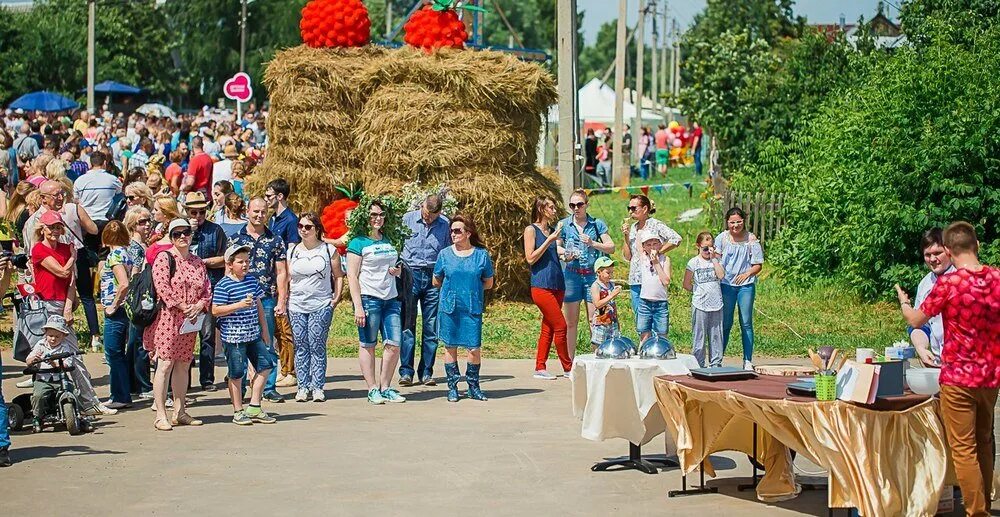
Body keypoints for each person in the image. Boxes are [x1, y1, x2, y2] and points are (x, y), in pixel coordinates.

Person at [897, 222, 1000, 517]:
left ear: (951, 251)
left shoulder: (949, 285)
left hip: (958, 378)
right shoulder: (997, 278)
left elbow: (917, 320)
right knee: (984, 441)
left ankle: (976, 512)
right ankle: (986, 504)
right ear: (977, 245)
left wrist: (904, 303)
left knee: (964, 448)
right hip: (990, 377)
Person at [29, 210, 113, 416]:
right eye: (51, 227)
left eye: (58, 227)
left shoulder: (67, 248)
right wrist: (73, 258)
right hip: (45, 305)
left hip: (61, 303)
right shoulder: (39, 249)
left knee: (72, 354)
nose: (55, 231)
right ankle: (47, 401)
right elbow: (62, 272)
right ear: (43, 229)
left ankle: (88, 401)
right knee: (44, 353)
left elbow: (71, 281)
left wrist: (68, 306)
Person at [145, 218, 211, 431]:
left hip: (190, 320)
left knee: (183, 364)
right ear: (171, 237)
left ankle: (180, 411)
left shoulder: (198, 261)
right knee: (164, 364)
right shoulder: (164, 258)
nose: (183, 237)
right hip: (169, 317)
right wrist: (183, 306)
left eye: (186, 232)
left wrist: (200, 305)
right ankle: (161, 414)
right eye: (177, 233)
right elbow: (162, 286)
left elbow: (207, 289)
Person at [23, 180, 101, 350]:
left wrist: (69, 300)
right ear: (43, 199)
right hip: (45, 297)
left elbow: (69, 270)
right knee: (45, 345)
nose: (61, 198)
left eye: (62, 194)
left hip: (63, 294)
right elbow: (32, 263)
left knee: (66, 346)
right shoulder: (35, 223)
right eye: (56, 195)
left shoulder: (60, 219)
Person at [346, 199, 407, 405]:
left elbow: (395, 266)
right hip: (369, 298)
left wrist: (397, 271)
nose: (377, 218)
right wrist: (358, 306)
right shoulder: (358, 242)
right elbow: (352, 276)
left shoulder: (388, 240)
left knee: (394, 343)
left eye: (380, 214)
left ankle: (386, 386)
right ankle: (372, 389)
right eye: (373, 215)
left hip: (390, 299)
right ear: (365, 217)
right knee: (368, 344)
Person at [230, 198, 288, 403]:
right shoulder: (236, 239)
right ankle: (244, 386)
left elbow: (281, 272)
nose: (259, 215)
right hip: (240, 300)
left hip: (266, 297)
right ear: (247, 211)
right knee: (241, 344)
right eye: (255, 211)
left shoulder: (276, 240)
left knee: (267, 342)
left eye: (263, 212)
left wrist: (282, 299)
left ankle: (268, 387)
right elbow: (228, 270)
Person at [212, 244, 278, 425]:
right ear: (230, 264)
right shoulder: (223, 285)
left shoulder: (251, 281)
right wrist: (238, 305)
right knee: (236, 373)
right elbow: (215, 310)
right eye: (240, 262)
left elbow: (258, 305)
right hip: (233, 337)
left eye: (247, 261)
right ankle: (238, 410)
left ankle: (254, 406)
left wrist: (265, 331)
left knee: (267, 365)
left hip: (253, 335)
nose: (245, 265)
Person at [433, 213, 494, 402]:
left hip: (471, 307)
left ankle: (473, 386)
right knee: (450, 347)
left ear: (468, 233)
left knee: (473, 348)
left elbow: (488, 283)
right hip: (450, 307)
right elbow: (436, 280)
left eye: (457, 231)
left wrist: (472, 291)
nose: (453, 234)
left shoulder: (481, 255)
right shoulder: (444, 254)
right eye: (451, 231)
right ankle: (452, 387)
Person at [287, 213, 344, 402]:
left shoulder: (328, 250)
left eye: (308, 227)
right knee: (301, 345)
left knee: (317, 344)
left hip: (320, 303)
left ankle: (318, 386)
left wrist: (335, 298)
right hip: (296, 304)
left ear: (317, 229)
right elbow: (286, 277)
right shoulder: (293, 250)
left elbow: (338, 275)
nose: (303, 230)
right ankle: (303, 386)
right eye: (301, 226)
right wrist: (284, 298)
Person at [398, 194, 450, 386]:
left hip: (433, 275)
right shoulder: (407, 219)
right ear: (422, 206)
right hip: (410, 273)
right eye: (427, 214)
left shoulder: (445, 225)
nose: (428, 218)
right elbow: (397, 244)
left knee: (431, 326)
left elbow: (446, 253)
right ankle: (406, 371)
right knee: (407, 324)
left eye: (433, 216)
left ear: (440, 212)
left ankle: (426, 372)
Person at [558, 189, 615, 361]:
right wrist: (565, 254)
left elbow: (611, 247)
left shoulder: (596, 224)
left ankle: (597, 359)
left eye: (579, 204)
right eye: (572, 205)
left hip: (593, 277)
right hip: (572, 275)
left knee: (596, 320)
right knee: (570, 323)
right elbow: (556, 246)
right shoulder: (564, 224)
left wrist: (593, 243)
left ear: (586, 205)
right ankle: (569, 363)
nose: (576, 208)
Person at [523, 195, 571, 380]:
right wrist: (550, 240)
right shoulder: (531, 230)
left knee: (549, 327)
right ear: (541, 209)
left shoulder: (552, 230)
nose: (553, 210)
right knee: (561, 325)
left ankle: (540, 367)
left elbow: (554, 252)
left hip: (558, 283)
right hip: (541, 285)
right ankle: (568, 368)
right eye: (550, 207)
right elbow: (530, 258)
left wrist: (567, 254)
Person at [184, 191, 228, 391]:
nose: (198, 216)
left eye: (201, 212)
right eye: (194, 213)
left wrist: (204, 262)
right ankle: (183, 380)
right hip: (185, 292)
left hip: (209, 288)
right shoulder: (180, 231)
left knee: (207, 335)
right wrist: (189, 233)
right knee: (185, 337)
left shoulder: (215, 230)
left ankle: (207, 379)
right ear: (187, 212)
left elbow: (224, 258)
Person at [715, 207, 764, 371]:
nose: (735, 225)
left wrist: (747, 273)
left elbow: (758, 265)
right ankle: (717, 359)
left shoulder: (751, 239)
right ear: (727, 223)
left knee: (746, 322)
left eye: (739, 222)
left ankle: (747, 360)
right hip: (726, 285)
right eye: (732, 222)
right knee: (725, 323)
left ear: (744, 221)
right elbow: (715, 259)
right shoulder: (722, 238)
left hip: (746, 286)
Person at [622, 194, 682, 324]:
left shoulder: (655, 224)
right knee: (640, 318)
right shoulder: (633, 227)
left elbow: (676, 239)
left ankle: (656, 343)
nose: (631, 211)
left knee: (653, 317)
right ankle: (644, 343)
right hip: (635, 278)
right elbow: (628, 257)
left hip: (651, 277)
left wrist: (658, 252)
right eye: (629, 208)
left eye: (634, 208)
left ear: (644, 209)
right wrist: (626, 237)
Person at [265, 179, 299, 388]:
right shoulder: (273, 219)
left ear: (279, 196)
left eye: (269, 196)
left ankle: (290, 370)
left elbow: (292, 252)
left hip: (284, 276)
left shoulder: (291, 220)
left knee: (286, 328)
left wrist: (286, 281)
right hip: (273, 276)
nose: (267, 199)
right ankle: (283, 367)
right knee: (277, 328)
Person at [99, 220, 134, 409]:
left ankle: (120, 395)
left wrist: (113, 304)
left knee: (113, 352)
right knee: (119, 352)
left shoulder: (114, 256)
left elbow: (124, 283)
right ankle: (122, 393)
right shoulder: (127, 254)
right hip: (125, 309)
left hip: (117, 310)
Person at [908, 228, 954, 367]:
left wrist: (905, 305)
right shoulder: (925, 284)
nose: (933, 259)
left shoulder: (962, 278)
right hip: (937, 362)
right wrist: (921, 348)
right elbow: (919, 325)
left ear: (948, 251)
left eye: (937, 253)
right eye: (928, 255)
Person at [25, 315, 76, 433]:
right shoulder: (41, 345)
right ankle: (37, 417)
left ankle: (77, 414)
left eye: (57, 336)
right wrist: (33, 360)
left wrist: (56, 364)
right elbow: (28, 360)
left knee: (71, 390)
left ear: (63, 336)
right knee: (38, 396)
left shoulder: (65, 347)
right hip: (43, 378)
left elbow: (68, 364)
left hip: (60, 378)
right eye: (50, 336)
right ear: (45, 334)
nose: (53, 339)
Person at [123, 206, 153, 400]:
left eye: (149, 220)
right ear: (133, 224)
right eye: (142, 222)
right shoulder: (133, 247)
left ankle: (136, 383)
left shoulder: (144, 245)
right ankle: (141, 385)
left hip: (144, 297)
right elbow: (133, 275)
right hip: (138, 300)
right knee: (138, 343)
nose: (147, 224)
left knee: (138, 342)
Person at [683, 232, 725, 368]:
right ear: (698, 246)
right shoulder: (693, 262)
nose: (708, 251)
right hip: (700, 304)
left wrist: (714, 259)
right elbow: (686, 283)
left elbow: (721, 275)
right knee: (699, 336)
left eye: (711, 248)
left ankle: (716, 362)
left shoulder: (716, 261)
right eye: (705, 248)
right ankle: (698, 363)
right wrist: (697, 291)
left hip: (716, 303)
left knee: (716, 335)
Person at [636, 230, 671, 342]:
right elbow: (638, 242)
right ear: (644, 247)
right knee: (644, 332)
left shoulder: (665, 259)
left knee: (662, 333)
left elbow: (666, 281)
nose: (652, 247)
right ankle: (644, 353)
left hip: (660, 302)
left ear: (660, 244)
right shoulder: (643, 258)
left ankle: (662, 353)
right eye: (648, 244)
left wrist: (656, 262)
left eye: (655, 243)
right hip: (644, 302)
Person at [588, 257, 621, 350]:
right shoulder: (596, 286)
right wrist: (611, 295)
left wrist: (617, 321)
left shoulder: (611, 285)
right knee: (599, 347)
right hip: (600, 322)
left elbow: (613, 305)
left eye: (612, 272)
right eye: (608, 272)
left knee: (613, 346)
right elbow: (597, 304)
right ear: (599, 272)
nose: (610, 275)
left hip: (612, 321)